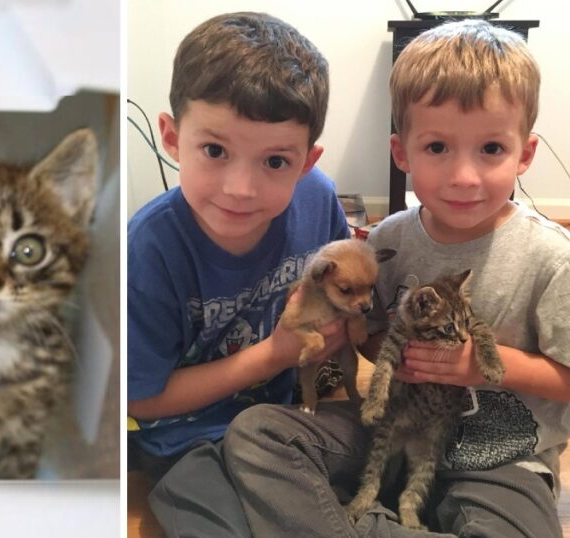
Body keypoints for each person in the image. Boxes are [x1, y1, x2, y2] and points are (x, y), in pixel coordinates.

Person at [224, 19, 570, 537]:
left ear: (524, 154)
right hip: (386, 430)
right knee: (256, 435)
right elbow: (370, 332)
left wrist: (485, 365)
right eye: (437, 148)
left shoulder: (551, 257)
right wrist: (382, 347)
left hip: (499, 461)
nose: (463, 176)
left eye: (491, 149)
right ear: (402, 153)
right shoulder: (387, 241)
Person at [127, 11, 350, 536]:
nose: (241, 189)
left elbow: (343, 300)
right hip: (182, 442)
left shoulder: (317, 200)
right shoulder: (149, 249)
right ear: (171, 136)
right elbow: (140, 399)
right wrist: (271, 356)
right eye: (215, 151)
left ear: (307, 162)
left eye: (275, 162)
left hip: (281, 425)